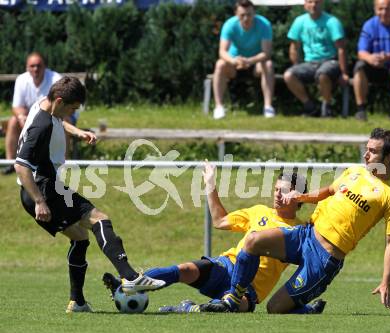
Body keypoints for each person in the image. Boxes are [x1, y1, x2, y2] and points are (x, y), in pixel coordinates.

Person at [202, 128, 390, 314]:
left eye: (373, 151)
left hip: (324, 258)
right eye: (366, 149)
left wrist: (386, 282)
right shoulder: (354, 172)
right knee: (252, 241)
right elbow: (328, 191)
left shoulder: (389, 196)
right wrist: (300, 197)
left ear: (389, 157)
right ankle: (233, 299)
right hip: (305, 235)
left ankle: (308, 310)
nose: (366, 154)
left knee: (275, 308)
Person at [14, 76, 165, 313]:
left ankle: (78, 303)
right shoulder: (40, 126)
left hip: (36, 190)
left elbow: (59, 120)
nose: (71, 113)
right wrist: (40, 201)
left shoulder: (44, 105)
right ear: (60, 101)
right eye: (72, 109)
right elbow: (20, 166)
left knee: (80, 238)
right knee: (99, 219)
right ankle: (130, 276)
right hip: (43, 190)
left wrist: (77, 131)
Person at [103, 163, 325, 314]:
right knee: (184, 270)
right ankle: (128, 284)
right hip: (226, 266)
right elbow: (220, 221)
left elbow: (310, 263)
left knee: (228, 309)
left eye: (284, 191)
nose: (277, 194)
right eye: (276, 189)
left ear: (298, 197)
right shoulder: (258, 211)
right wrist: (210, 184)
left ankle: (187, 308)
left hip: (251, 290)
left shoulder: (302, 231)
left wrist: (301, 304)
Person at [3, 52, 77, 175]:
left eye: (38, 65)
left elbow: (62, 108)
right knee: (13, 121)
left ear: (45, 66)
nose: (35, 69)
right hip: (32, 117)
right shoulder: (21, 79)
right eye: (32, 66)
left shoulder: (56, 79)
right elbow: (17, 106)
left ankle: (63, 163)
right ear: (27, 67)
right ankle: (12, 163)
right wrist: (21, 117)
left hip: (58, 115)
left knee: (64, 122)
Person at [283, 0, 349, 117]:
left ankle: (327, 106)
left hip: (330, 61)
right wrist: (296, 65)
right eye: (310, 2)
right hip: (309, 63)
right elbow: (294, 47)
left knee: (322, 74)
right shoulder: (299, 22)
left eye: (317, 2)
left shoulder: (332, 22)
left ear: (322, 3)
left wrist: (344, 73)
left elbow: (341, 49)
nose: (313, 5)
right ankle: (310, 107)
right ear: (305, 4)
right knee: (289, 75)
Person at [212, 0, 275, 120]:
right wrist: (234, 61)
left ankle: (268, 107)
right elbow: (222, 51)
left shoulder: (264, 25)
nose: (246, 18)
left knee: (268, 64)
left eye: (249, 15)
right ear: (236, 14)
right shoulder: (229, 25)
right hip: (234, 64)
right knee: (220, 64)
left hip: (256, 63)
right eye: (242, 15)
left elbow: (266, 53)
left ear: (254, 13)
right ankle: (219, 107)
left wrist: (249, 61)